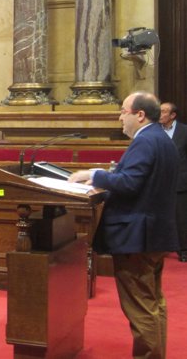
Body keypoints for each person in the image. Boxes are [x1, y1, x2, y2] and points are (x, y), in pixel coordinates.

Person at [68, 92, 178, 358]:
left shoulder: (146, 141)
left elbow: (130, 183)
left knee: (141, 308)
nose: (120, 118)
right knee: (153, 303)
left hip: (137, 236)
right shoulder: (161, 139)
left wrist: (94, 175)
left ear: (140, 115)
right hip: (153, 233)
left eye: (123, 112)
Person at [159, 101, 187, 262]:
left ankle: (183, 249)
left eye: (163, 112)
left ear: (172, 115)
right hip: (160, 182)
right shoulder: (155, 131)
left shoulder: (184, 131)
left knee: (181, 217)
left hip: (180, 181)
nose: (160, 115)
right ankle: (162, 247)